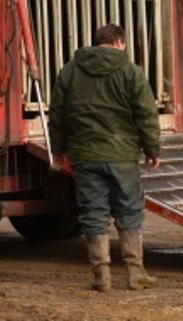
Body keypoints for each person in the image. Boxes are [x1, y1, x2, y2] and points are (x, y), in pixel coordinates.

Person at [49, 23, 161, 292]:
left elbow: (57, 114)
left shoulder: (70, 71)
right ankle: (135, 273)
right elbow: (146, 114)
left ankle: (101, 276)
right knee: (130, 209)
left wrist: (58, 149)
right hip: (122, 154)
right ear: (120, 42)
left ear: (97, 42)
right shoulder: (130, 72)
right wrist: (152, 149)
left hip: (84, 155)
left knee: (93, 212)